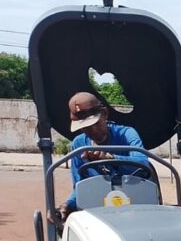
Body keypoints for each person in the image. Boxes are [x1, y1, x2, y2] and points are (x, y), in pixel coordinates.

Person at [56, 91, 150, 221]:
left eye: (95, 124)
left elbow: (143, 163)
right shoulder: (79, 145)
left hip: (134, 204)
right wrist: (68, 204)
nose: (93, 131)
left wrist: (111, 159)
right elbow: (79, 185)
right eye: (86, 128)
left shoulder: (127, 134)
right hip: (98, 210)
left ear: (104, 114)